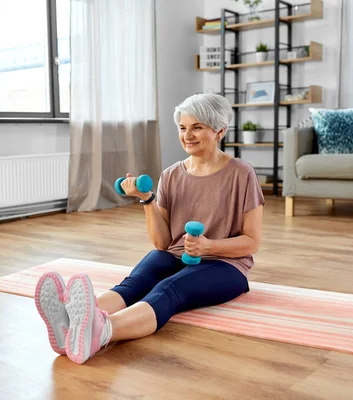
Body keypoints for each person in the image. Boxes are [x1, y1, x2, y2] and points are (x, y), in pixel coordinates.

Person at [34, 93, 265, 364]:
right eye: (182, 127)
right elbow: (162, 243)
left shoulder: (241, 173)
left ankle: (103, 331)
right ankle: (71, 322)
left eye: (197, 127)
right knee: (135, 284)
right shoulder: (170, 175)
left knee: (168, 289)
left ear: (219, 131)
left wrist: (209, 246)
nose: (187, 135)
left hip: (227, 266)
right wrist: (147, 200)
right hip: (176, 255)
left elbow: (252, 242)